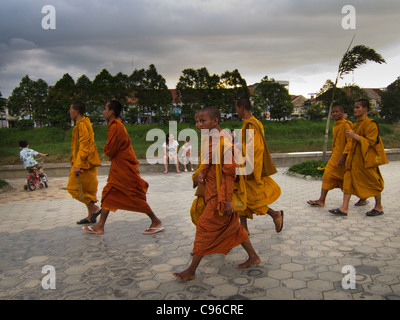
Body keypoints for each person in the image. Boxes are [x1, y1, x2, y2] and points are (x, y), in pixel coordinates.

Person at [173, 106, 260, 281]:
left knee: (204, 227)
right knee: (234, 228)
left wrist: (226, 200)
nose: (198, 125)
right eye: (196, 121)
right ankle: (254, 257)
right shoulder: (210, 139)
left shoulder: (223, 142)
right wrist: (201, 175)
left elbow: (229, 173)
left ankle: (191, 270)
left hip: (220, 197)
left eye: (202, 121)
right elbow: (209, 164)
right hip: (211, 192)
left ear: (215, 121)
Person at [82, 100, 164, 235]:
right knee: (109, 194)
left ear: (111, 111)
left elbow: (110, 150)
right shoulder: (116, 125)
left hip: (123, 169)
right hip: (120, 167)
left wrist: (105, 149)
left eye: (105, 109)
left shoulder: (116, 126)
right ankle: (100, 226)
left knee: (133, 195)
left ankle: (156, 221)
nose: (104, 112)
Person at [329, 99, 388, 216]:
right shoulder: (356, 124)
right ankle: (344, 208)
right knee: (348, 181)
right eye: (354, 107)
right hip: (353, 159)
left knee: (373, 181)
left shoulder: (371, 124)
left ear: (365, 109)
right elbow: (351, 142)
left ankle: (378, 206)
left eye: (358, 107)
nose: (355, 110)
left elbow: (371, 142)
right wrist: (345, 155)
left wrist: (354, 135)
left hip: (365, 160)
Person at [235, 97, 283, 234]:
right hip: (244, 167)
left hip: (249, 169)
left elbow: (255, 150)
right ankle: (243, 229)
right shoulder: (252, 123)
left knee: (250, 199)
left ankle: (275, 214)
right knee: (240, 197)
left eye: (236, 108)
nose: (236, 111)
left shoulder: (251, 125)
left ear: (241, 108)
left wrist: (253, 172)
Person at [307, 105, 367, 207]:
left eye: (337, 112)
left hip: (344, 158)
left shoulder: (346, 125)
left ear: (343, 113)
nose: (334, 114)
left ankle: (363, 197)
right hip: (335, 157)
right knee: (328, 175)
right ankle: (321, 200)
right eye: (333, 112)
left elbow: (350, 142)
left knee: (351, 181)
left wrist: (343, 156)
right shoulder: (336, 125)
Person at [66, 101, 102, 225]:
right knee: (85, 189)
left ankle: (93, 209)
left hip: (84, 164)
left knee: (73, 188)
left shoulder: (82, 125)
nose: (69, 112)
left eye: (70, 110)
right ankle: (91, 215)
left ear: (76, 111)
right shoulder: (82, 123)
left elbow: (84, 145)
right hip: (85, 163)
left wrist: (78, 164)